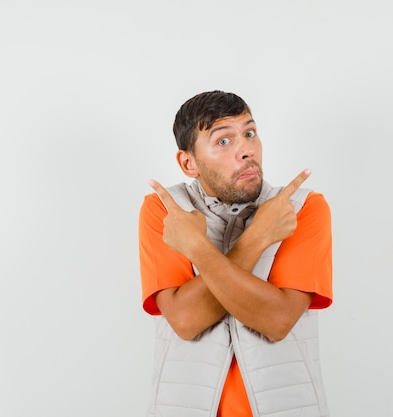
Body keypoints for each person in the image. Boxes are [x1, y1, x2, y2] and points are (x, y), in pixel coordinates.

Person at [138, 90, 333, 417]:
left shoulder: (301, 208)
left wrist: (196, 248)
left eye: (250, 133)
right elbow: (186, 320)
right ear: (189, 163)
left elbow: (277, 320)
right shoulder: (165, 211)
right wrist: (258, 237)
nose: (246, 150)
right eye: (223, 141)